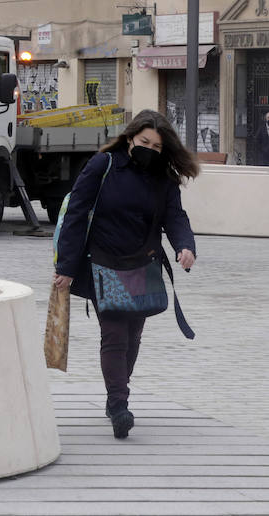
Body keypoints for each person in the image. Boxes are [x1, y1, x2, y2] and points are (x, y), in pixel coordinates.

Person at [53, 109, 198, 440]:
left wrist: (185, 247)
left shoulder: (163, 178)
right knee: (115, 335)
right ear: (130, 137)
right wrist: (66, 267)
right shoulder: (103, 166)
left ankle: (115, 396)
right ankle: (119, 405)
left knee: (133, 337)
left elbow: (176, 216)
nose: (149, 149)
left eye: (157, 146)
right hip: (103, 263)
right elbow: (76, 213)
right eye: (144, 141)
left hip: (142, 264)